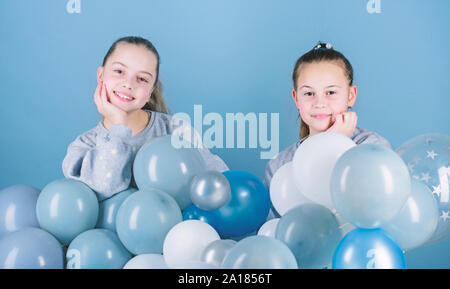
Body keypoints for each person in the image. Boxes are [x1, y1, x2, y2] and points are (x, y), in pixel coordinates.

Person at [62, 36, 228, 201]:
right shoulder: (84, 146)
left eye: (142, 79)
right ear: (100, 76)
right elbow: (102, 188)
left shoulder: (176, 131)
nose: (128, 84)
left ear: (150, 92)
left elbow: (221, 183)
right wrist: (119, 125)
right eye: (119, 71)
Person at [264, 42, 391, 218]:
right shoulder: (279, 166)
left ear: (350, 96)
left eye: (330, 92)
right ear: (296, 99)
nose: (319, 103)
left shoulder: (371, 148)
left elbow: (367, 210)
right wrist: (330, 140)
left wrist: (333, 142)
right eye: (309, 93)